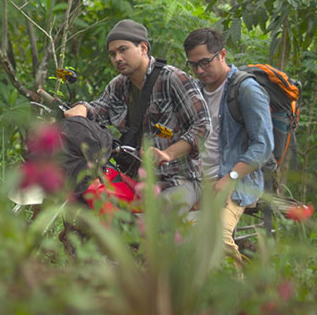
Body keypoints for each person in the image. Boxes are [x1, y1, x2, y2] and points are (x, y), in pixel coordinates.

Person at [62, 19, 211, 213]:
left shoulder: (173, 79)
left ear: (143, 47)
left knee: (158, 218)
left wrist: (168, 154)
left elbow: (202, 125)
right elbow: (99, 109)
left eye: (123, 50)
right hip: (136, 180)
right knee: (91, 205)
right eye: (113, 54)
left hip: (179, 180)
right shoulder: (118, 85)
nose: (117, 58)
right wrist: (81, 109)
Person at [183, 27, 273, 265]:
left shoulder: (246, 90)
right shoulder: (195, 92)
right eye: (193, 65)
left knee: (218, 240)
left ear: (222, 54)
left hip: (234, 181)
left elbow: (263, 146)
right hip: (196, 181)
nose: (199, 70)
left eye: (205, 62)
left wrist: (229, 179)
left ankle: (237, 287)